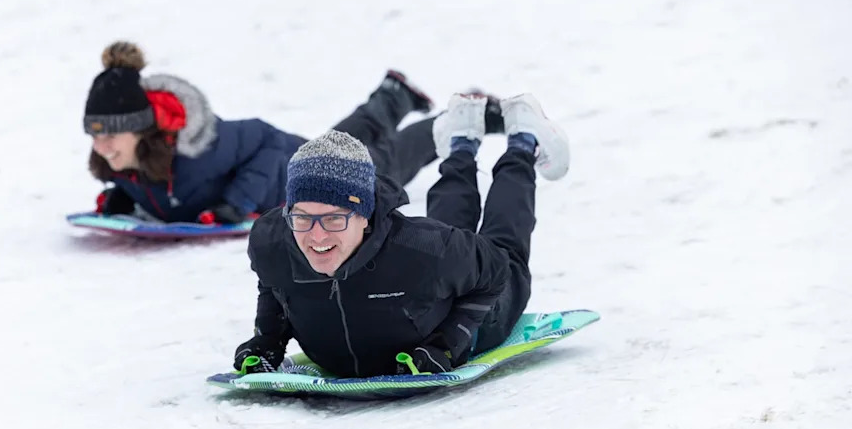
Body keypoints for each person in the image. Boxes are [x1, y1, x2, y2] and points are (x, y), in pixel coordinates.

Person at [233, 90, 571, 377]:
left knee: (501, 245)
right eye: (303, 218)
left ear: (364, 215)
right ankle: (462, 141)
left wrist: (448, 343)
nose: (317, 236)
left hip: (486, 305)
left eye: (334, 219)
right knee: (450, 245)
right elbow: (275, 285)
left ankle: (523, 142)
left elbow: (494, 270)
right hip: (441, 269)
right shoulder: (273, 241)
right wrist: (267, 342)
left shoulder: (419, 248)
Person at [83, 41, 440, 224]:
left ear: (142, 132)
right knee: (348, 145)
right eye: (95, 136)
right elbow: (161, 190)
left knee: (381, 172)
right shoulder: (123, 162)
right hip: (301, 166)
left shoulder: (199, 148)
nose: (102, 147)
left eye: (111, 136)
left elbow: (265, 139)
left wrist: (239, 202)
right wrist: (125, 198)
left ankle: (453, 124)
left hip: (304, 173)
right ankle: (394, 96)